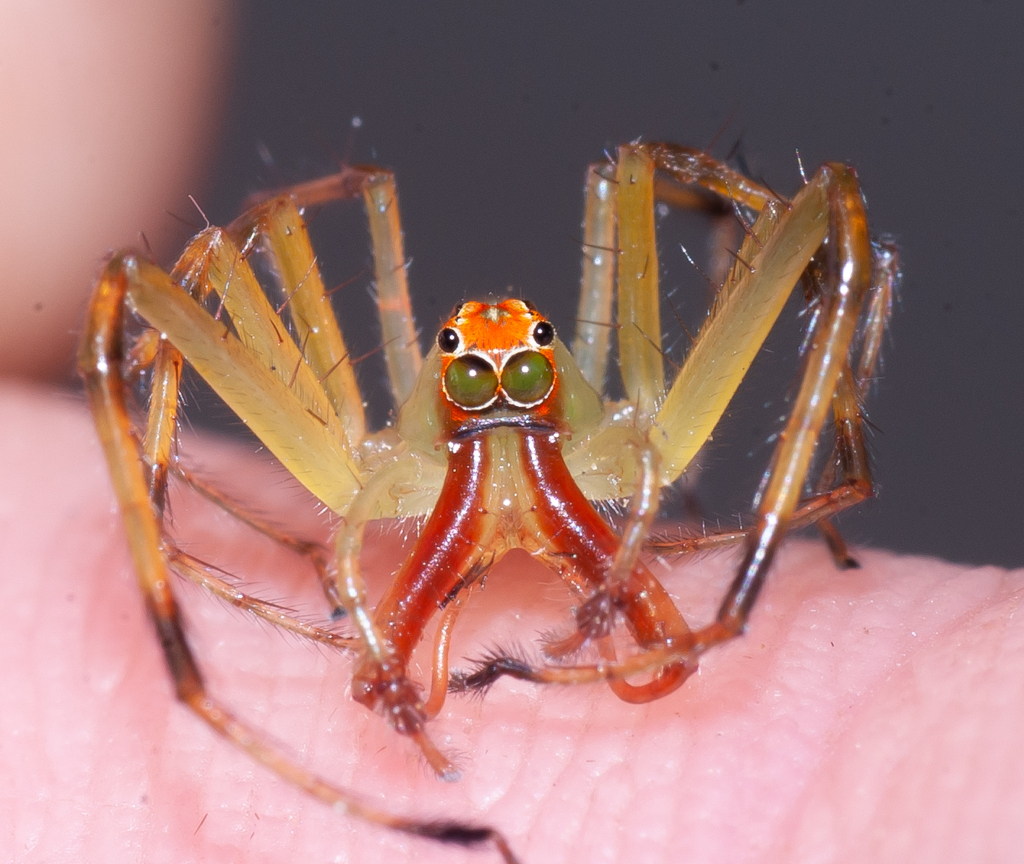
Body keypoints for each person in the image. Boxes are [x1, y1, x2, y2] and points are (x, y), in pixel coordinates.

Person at [1, 4, 1021, 862]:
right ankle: (186, 661)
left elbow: (823, 215)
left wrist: (794, 522)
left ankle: (792, 533)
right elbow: (199, 268)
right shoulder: (381, 456)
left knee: (817, 198)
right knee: (169, 275)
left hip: (600, 440)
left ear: (549, 374)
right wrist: (185, 529)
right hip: (405, 464)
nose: (500, 408)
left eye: (521, 384)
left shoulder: (619, 430)